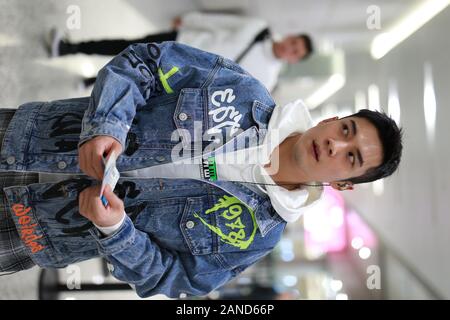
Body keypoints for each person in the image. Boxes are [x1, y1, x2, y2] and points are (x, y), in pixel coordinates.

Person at [0, 41, 402, 299]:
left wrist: (116, 231)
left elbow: (174, 279)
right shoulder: (242, 91)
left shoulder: (256, 236)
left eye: (350, 157)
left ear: (344, 184)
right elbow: (145, 63)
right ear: (333, 119)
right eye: (346, 130)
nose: (336, 144)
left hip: (33, 232)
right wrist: (108, 125)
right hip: (27, 137)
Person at [48, 11, 314, 92]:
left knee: (139, 74)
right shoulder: (258, 28)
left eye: (295, 52)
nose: (290, 48)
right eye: (294, 42)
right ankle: (70, 48)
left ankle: (92, 80)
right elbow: (219, 21)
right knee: (128, 46)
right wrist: (189, 20)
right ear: (290, 37)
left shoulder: (267, 79)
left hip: (184, 71)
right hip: (183, 39)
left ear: (294, 59)